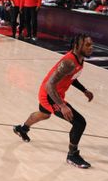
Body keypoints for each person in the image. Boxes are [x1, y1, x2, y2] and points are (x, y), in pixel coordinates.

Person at [13, 34, 95, 168]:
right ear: (76, 46)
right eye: (87, 45)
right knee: (79, 122)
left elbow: (71, 77)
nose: (91, 47)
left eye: (92, 45)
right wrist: (62, 105)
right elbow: (49, 85)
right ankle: (72, 155)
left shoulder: (79, 59)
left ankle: (22, 129)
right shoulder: (69, 62)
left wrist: (84, 90)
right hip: (49, 95)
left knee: (44, 114)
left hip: (55, 93)